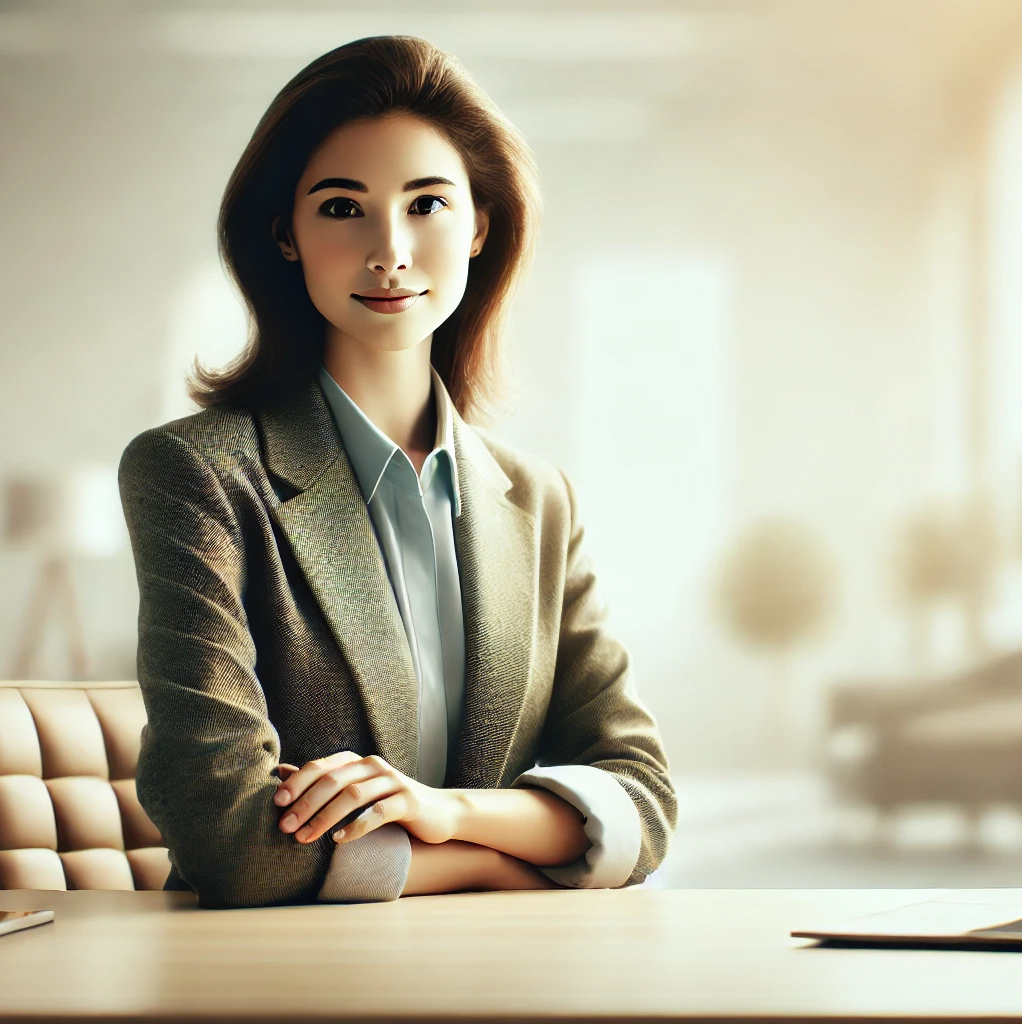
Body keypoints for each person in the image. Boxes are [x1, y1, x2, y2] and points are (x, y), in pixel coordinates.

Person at [118, 35, 675, 908]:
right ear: (286, 235)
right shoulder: (196, 474)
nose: (390, 250)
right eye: (343, 209)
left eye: (427, 205)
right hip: (272, 981)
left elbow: (642, 802)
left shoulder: (539, 499)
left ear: (481, 226)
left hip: (510, 977)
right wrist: (503, 858)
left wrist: (447, 813)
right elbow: (235, 844)